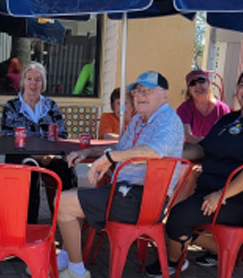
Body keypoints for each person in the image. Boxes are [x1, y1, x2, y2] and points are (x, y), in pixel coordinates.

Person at [145, 64, 243, 276]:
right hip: (210, 190)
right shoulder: (230, 118)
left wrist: (221, 195)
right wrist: (168, 154)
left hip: (239, 199)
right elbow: (203, 148)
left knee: (178, 216)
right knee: (176, 210)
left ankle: (174, 262)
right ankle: (220, 248)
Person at [59, 71, 184, 278]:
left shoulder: (168, 119)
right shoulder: (138, 120)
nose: (140, 96)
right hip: (124, 191)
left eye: (147, 91)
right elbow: (119, 147)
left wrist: (110, 158)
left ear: (165, 95)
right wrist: (89, 152)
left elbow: (154, 150)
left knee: (63, 202)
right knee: (71, 196)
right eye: (137, 92)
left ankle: (76, 271)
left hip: (144, 201)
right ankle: (66, 256)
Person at [0, 62, 78, 224]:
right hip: (22, 155)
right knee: (30, 167)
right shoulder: (12, 106)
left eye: (38, 80)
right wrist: (37, 155)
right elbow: (6, 137)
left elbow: (62, 134)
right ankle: (30, 225)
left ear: (43, 84)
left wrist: (50, 153)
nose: (33, 84)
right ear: (23, 81)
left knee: (66, 167)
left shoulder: (50, 105)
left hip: (50, 155)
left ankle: (68, 219)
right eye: (29, 79)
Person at [177, 69, 230, 144]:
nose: (198, 85)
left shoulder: (222, 109)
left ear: (208, 83)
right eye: (193, 83)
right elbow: (186, 136)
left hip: (217, 152)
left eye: (201, 80)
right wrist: (205, 143)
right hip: (194, 150)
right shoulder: (184, 109)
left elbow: (227, 136)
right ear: (189, 89)